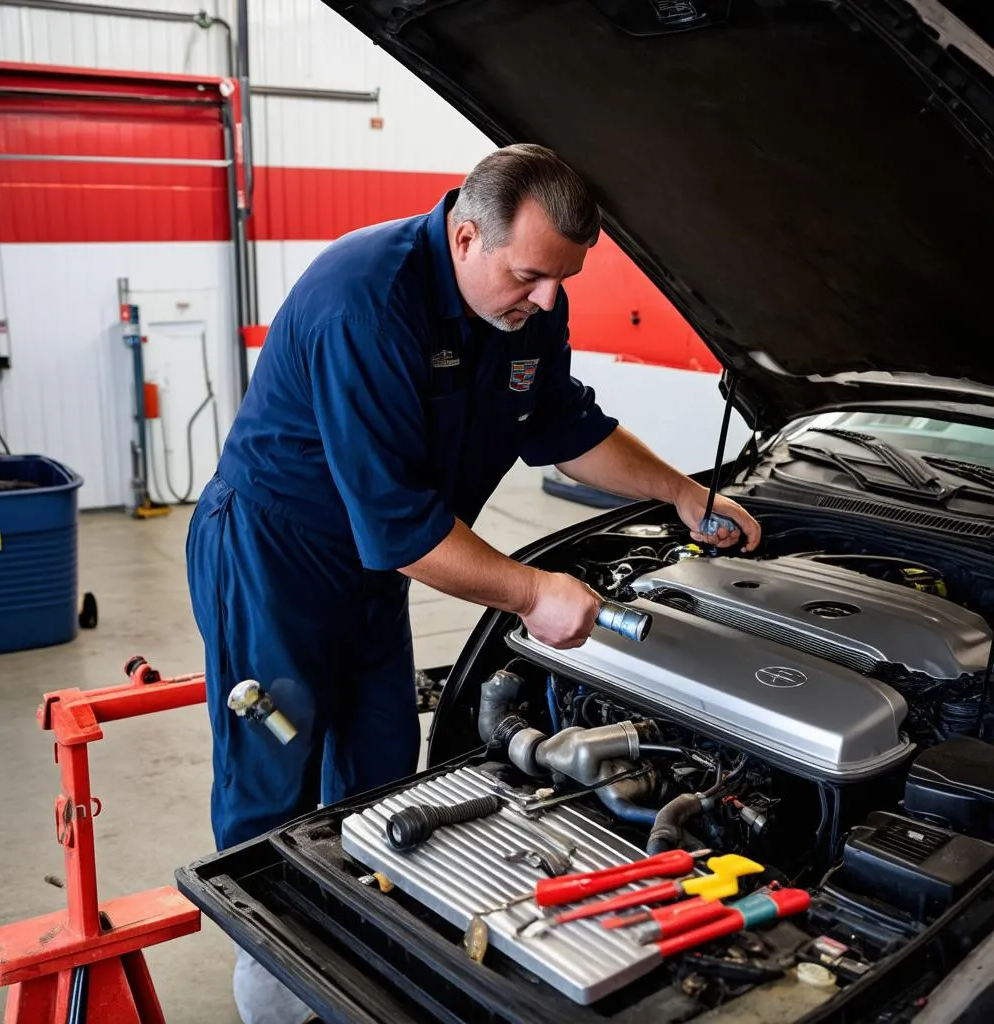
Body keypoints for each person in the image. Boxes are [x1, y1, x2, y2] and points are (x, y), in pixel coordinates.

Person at [186, 143, 760, 1023]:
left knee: (379, 764)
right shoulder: (364, 302)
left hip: (379, 568)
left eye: (563, 281)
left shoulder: (526, 308)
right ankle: (276, 994)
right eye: (531, 276)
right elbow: (403, 529)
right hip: (274, 557)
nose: (548, 301)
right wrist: (533, 593)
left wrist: (682, 491)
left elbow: (565, 427)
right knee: (275, 772)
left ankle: (368, 963)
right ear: (464, 237)